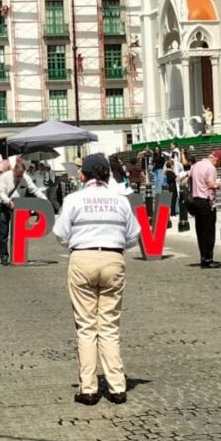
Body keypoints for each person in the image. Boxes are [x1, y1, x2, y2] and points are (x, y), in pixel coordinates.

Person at [53, 154, 141, 405]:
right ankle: (117, 386)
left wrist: (76, 243)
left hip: (82, 258)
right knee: (110, 326)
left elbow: (60, 233)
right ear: (108, 176)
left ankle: (89, 388)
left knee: (86, 326)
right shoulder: (120, 201)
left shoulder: (74, 199)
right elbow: (133, 235)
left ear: (83, 176)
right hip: (113, 258)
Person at [0, 161, 48, 265]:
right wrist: (8, 202)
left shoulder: (26, 178)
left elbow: (35, 190)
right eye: (17, 175)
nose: (19, 178)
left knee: (19, 233)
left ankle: (18, 255)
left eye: (21, 176)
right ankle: (4, 256)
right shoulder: (5, 176)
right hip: (6, 206)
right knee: (3, 232)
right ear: (13, 170)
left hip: (20, 207)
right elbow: (1, 192)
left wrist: (45, 200)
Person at [189, 149, 221, 269]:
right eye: (220, 163)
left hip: (196, 200)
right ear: (216, 159)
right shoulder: (211, 168)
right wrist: (220, 185)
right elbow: (210, 184)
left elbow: (188, 180)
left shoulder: (195, 165)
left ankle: (203, 257)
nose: (218, 166)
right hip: (206, 202)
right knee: (208, 232)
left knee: (200, 230)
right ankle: (208, 259)